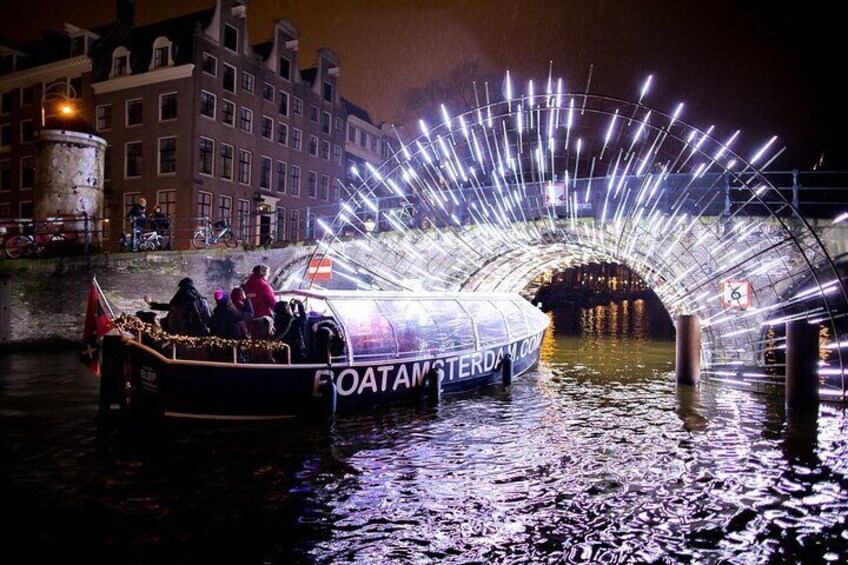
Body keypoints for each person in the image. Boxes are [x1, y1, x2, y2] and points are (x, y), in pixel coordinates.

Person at [144, 277, 211, 336]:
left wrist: (151, 303)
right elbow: (209, 316)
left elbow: (169, 307)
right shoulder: (202, 301)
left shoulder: (180, 300)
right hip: (201, 332)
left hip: (183, 332)